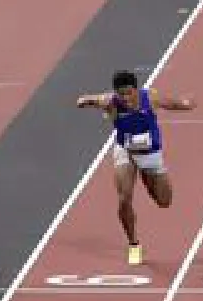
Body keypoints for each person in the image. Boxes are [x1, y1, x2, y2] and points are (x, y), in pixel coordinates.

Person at [76, 70, 193, 265]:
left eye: (129, 93)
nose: (125, 98)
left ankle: (148, 178)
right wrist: (84, 101)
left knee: (164, 201)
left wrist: (187, 103)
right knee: (124, 198)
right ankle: (134, 244)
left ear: (136, 90)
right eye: (121, 94)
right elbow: (88, 99)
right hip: (126, 153)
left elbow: (173, 104)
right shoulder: (111, 102)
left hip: (151, 156)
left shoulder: (151, 98)